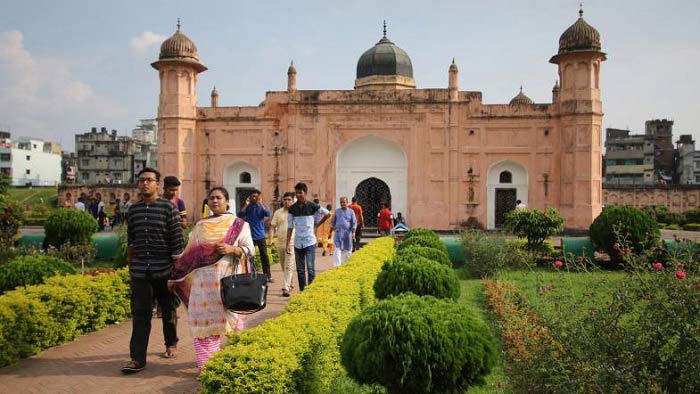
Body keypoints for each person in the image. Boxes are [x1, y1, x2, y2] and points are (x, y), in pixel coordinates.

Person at [168, 187, 254, 370]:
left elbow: (250, 250)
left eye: (218, 198)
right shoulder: (201, 226)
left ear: (226, 201)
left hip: (228, 284)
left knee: (232, 324)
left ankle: (234, 363)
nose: (214, 201)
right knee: (203, 324)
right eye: (211, 198)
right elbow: (189, 254)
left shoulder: (239, 225)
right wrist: (175, 276)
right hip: (203, 286)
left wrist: (233, 249)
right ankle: (207, 367)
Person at [121, 168, 184, 374]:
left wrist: (175, 275)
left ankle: (171, 342)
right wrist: (131, 268)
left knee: (168, 310)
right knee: (140, 314)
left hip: (163, 270)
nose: (145, 184)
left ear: (158, 184)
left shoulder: (168, 209)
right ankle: (137, 359)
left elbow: (176, 244)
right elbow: (131, 242)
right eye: (141, 180)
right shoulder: (133, 210)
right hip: (140, 271)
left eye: (149, 180)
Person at [287, 182, 330, 291]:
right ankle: (303, 291)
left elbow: (327, 213)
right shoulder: (292, 209)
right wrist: (288, 244)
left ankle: (311, 290)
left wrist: (318, 225)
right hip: (297, 243)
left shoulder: (312, 206)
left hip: (310, 242)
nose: (298, 195)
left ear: (305, 193)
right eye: (296, 193)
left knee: (310, 268)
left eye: (300, 192)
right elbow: (290, 227)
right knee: (300, 270)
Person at [237, 189, 272, 282]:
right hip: (250, 236)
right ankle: (251, 275)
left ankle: (268, 276)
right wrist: (246, 204)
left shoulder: (261, 206)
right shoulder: (248, 207)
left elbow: (268, 214)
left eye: (257, 196)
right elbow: (239, 214)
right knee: (250, 256)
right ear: (250, 197)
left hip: (260, 235)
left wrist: (260, 203)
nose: (255, 198)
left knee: (264, 256)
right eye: (253, 196)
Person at [269, 192, 295, 297]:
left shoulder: (296, 212)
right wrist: (270, 239)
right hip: (280, 243)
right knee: (284, 266)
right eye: (285, 199)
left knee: (289, 265)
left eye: (289, 199)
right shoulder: (278, 213)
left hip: (292, 243)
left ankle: (285, 287)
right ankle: (290, 284)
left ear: (293, 201)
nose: (287, 202)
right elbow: (272, 226)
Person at [329, 196, 356, 267]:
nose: (342, 204)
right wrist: (330, 232)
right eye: (341, 202)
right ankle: (337, 267)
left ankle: (346, 265)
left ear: (347, 202)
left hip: (348, 234)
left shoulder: (351, 212)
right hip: (338, 233)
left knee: (347, 250)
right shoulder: (337, 211)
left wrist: (353, 232)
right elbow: (333, 222)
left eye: (344, 202)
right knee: (337, 250)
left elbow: (354, 223)